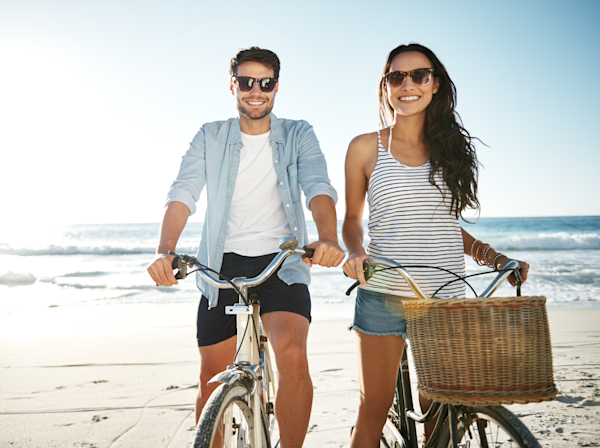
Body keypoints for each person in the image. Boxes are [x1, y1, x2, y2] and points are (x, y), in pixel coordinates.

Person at [147, 47, 344, 448]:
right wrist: (165, 249)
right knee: (209, 377)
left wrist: (328, 238)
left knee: (291, 356)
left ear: (276, 86)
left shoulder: (298, 133)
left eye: (265, 82)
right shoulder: (210, 135)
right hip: (220, 264)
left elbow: (318, 188)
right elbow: (183, 192)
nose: (256, 91)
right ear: (232, 85)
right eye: (246, 81)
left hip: (282, 260)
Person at [341, 43, 530, 447]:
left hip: (443, 295)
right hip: (384, 293)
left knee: (440, 415)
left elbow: (444, 225)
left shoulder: (451, 150)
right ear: (385, 85)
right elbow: (352, 220)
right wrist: (355, 251)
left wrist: (491, 255)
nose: (407, 85)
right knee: (372, 409)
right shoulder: (365, 147)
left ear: (435, 84)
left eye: (418, 76)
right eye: (396, 77)